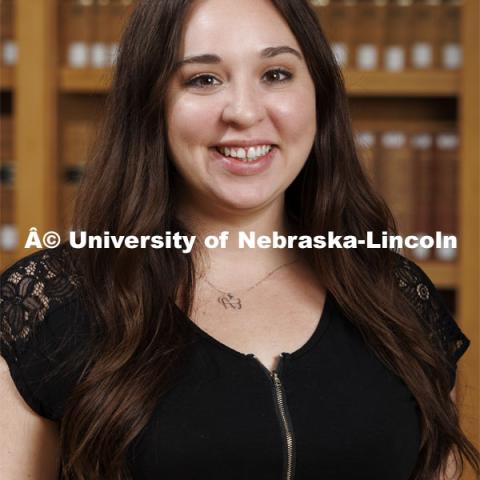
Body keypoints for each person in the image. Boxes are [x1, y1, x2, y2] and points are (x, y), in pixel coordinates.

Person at [0, 0, 479, 479]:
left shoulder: (396, 299)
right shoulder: (47, 305)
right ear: (151, 104)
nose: (245, 113)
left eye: (276, 74)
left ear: (319, 93)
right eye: (203, 79)